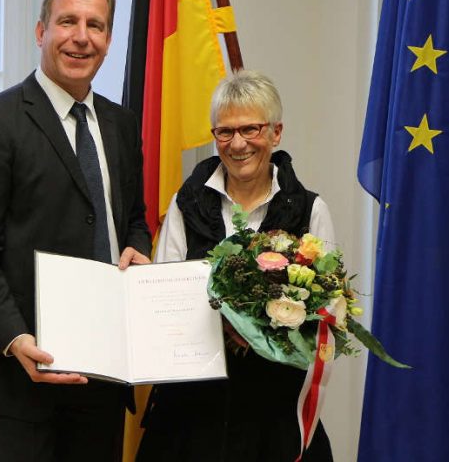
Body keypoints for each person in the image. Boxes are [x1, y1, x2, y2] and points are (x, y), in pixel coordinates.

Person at [0, 0, 151, 462]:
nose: (82, 37)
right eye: (68, 21)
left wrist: (138, 247)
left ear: (108, 39)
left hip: (103, 371)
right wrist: (17, 339)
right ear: (41, 32)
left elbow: (135, 218)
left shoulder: (121, 124)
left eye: (96, 25)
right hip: (24, 376)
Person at [136, 70, 335, 462]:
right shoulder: (185, 203)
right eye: (224, 132)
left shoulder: (311, 210)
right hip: (190, 413)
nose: (238, 144)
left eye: (251, 129)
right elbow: (164, 293)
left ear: (276, 133)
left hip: (274, 412)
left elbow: (324, 314)